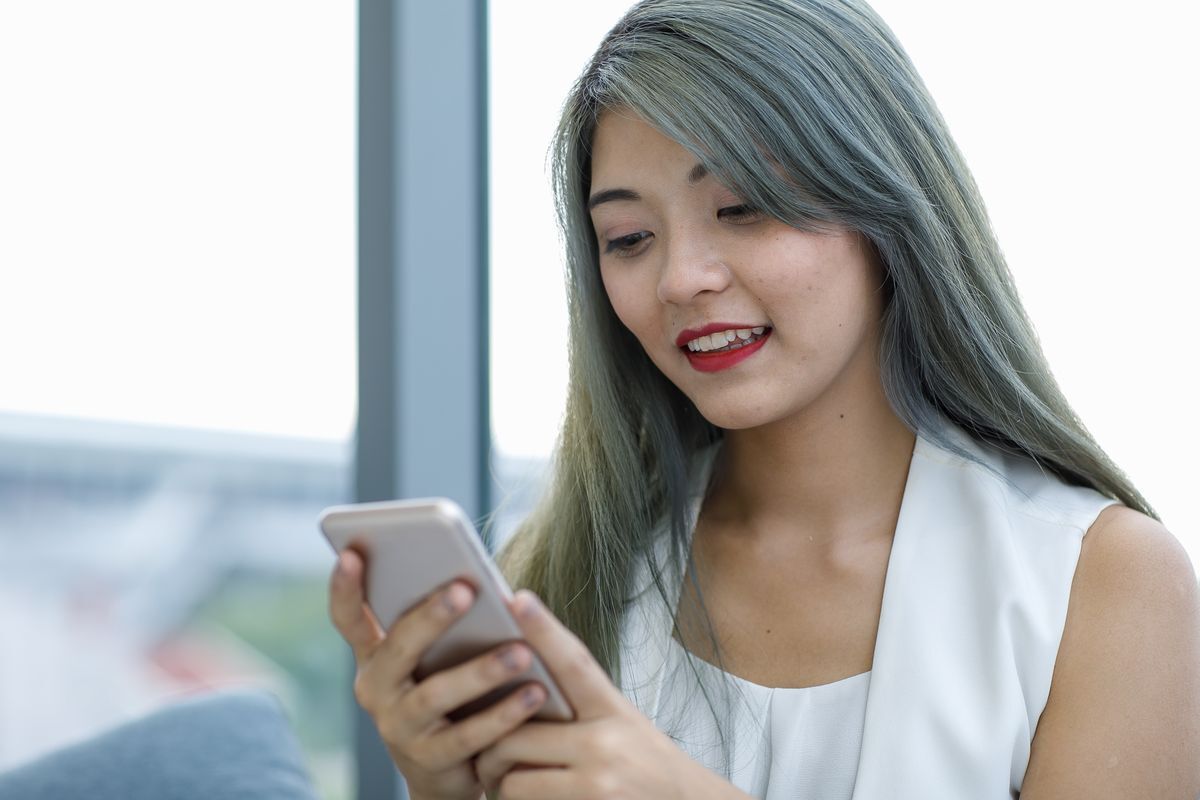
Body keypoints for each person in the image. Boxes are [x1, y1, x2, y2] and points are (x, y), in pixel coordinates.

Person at [329, 0, 1200, 797]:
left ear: (887, 204)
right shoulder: (564, 569)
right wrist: (444, 787)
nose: (681, 279)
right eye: (628, 237)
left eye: (742, 208)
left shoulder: (1099, 582)